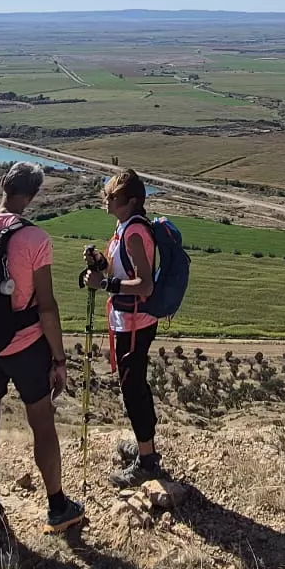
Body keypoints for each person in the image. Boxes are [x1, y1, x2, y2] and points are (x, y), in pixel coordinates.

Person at [0, 162, 83, 539]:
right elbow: (46, 306)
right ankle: (58, 506)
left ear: (3, 186)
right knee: (41, 422)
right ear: (32, 196)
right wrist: (58, 359)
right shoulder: (35, 239)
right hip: (26, 345)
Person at [81, 168, 164, 487]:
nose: (106, 200)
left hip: (135, 324)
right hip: (129, 322)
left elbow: (144, 286)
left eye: (112, 196)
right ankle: (146, 447)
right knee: (135, 386)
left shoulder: (132, 232)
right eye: (106, 194)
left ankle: (147, 461)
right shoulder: (125, 226)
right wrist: (101, 262)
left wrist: (106, 283)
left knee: (132, 389)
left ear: (131, 201)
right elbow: (122, 269)